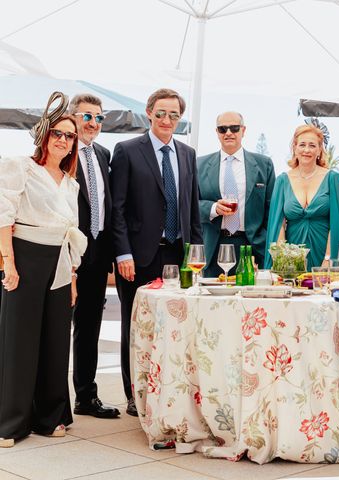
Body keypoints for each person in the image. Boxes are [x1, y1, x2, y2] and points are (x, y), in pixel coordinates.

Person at [0, 92, 87, 447]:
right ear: (44, 135)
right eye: (58, 133)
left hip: (60, 263)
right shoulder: (20, 166)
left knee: (55, 341)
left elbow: (71, 236)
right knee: (19, 341)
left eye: (70, 136)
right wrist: (8, 261)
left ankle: (50, 415)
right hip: (25, 256)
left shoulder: (71, 183)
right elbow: (4, 215)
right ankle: (11, 421)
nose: (63, 140)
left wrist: (73, 280)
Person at [111, 88, 203, 417]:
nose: (167, 120)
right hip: (137, 258)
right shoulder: (126, 151)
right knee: (135, 327)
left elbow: (191, 208)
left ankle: (167, 390)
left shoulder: (187, 154)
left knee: (172, 327)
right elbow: (116, 209)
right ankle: (135, 395)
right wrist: (122, 254)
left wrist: (196, 255)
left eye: (174, 115)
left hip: (177, 255)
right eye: (161, 113)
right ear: (149, 113)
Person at [69, 94, 120, 419]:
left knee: (89, 327)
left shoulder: (103, 154)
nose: (93, 123)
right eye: (87, 116)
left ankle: (85, 396)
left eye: (99, 118)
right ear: (73, 117)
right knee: (56, 326)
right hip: (66, 252)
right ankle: (45, 399)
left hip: (98, 252)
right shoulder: (60, 150)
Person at [197, 111, 275, 277]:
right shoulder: (199, 164)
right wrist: (212, 208)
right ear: (216, 132)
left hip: (251, 246)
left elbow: (271, 209)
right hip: (213, 246)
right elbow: (189, 205)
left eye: (234, 128)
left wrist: (265, 241)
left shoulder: (263, 164)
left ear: (243, 130)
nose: (229, 133)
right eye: (223, 129)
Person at [265, 124, 339, 268]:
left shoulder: (333, 179)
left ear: (319, 150)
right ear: (295, 148)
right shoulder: (283, 180)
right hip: (292, 257)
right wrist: (283, 260)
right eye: (302, 145)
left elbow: (337, 223)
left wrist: (328, 259)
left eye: (312, 145)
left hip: (324, 252)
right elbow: (277, 225)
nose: (307, 150)